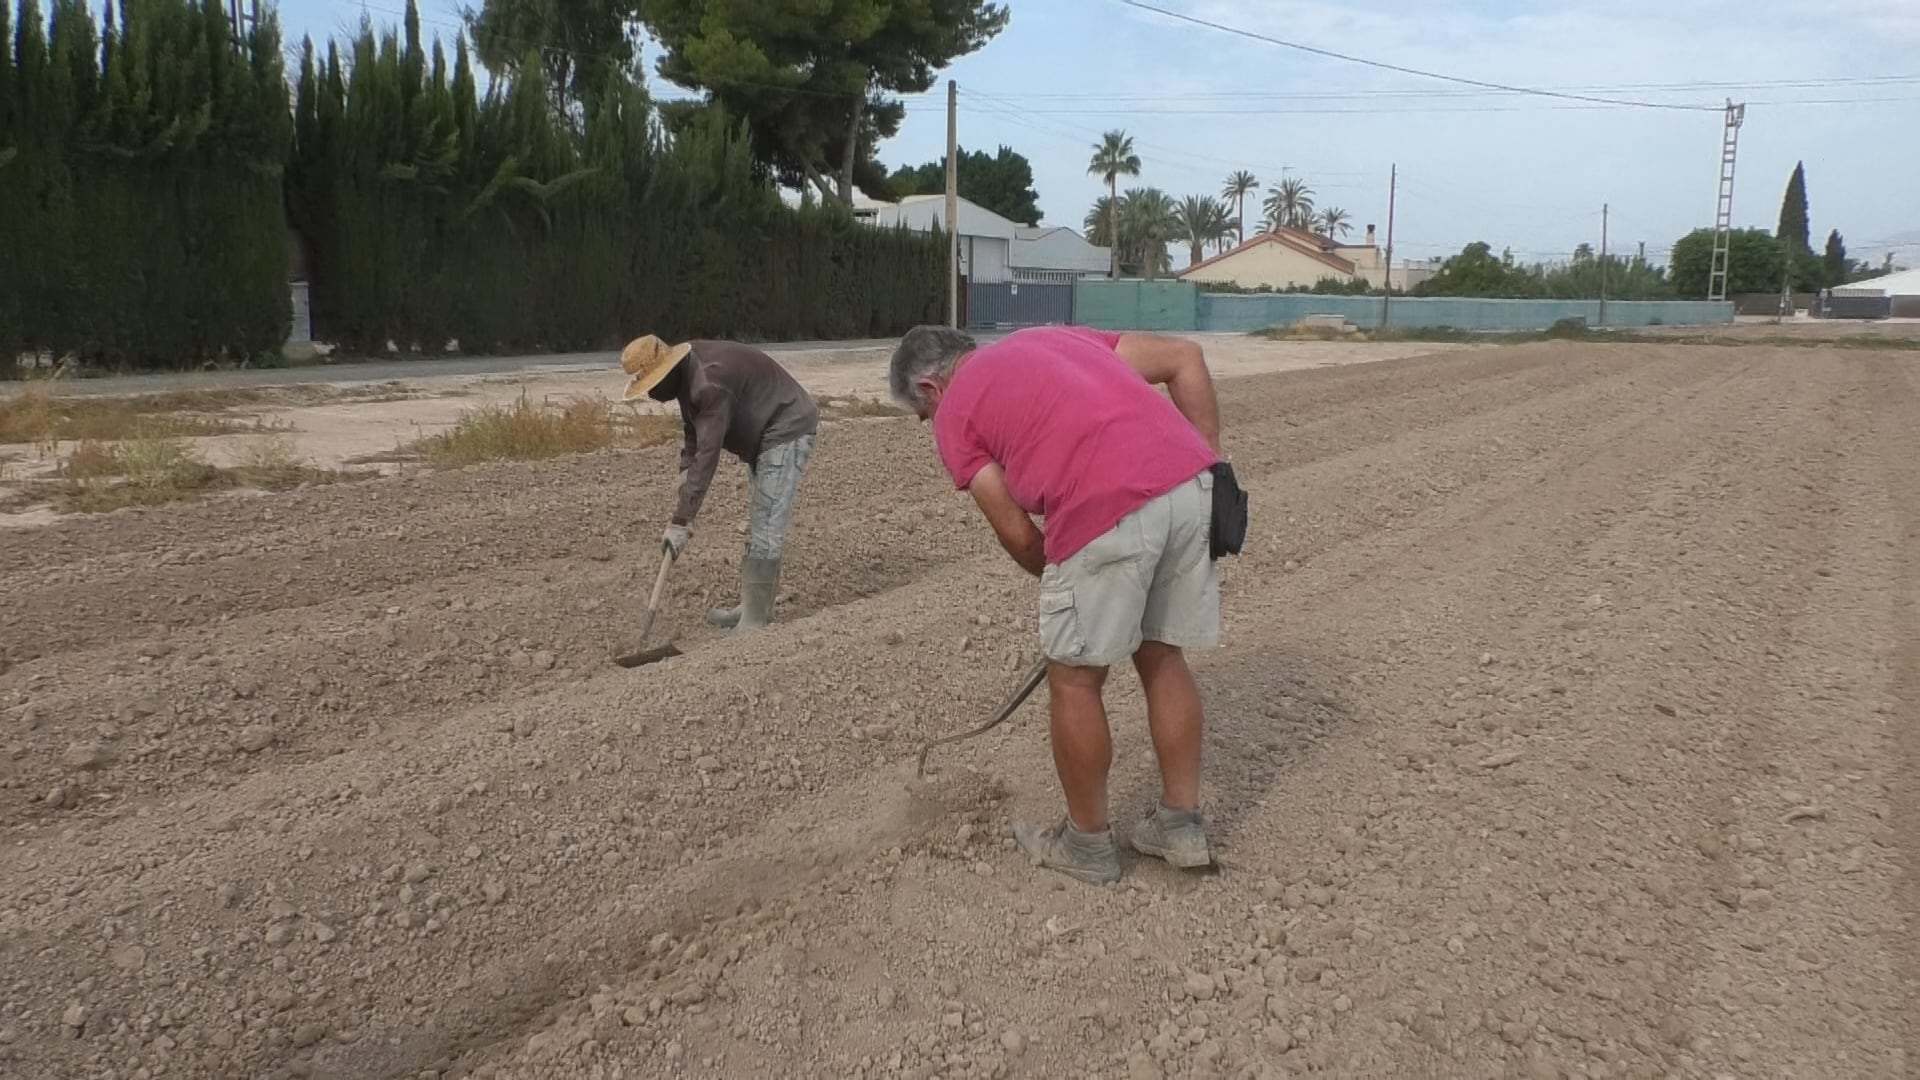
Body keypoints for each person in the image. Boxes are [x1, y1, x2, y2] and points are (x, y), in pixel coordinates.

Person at [888, 323, 1225, 885]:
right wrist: (1214, 468)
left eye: (922, 415)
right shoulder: (1049, 337)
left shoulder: (953, 412)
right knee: (1163, 656)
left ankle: (1087, 845)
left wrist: (1070, 584)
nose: (930, 426)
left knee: (1074, 679)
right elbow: (1186, 357)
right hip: (1189, 489)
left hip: (1107, 502)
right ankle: (1180, 824)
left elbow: (1019, 535)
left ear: (929, 388)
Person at [620, 334, 819, 634]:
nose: (650, 396)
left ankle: (756, 619)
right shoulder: (687, 376)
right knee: (759, 522)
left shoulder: (708, 383)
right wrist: (684, 482)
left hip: (786, 427)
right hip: (765, 431)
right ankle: (752, 607)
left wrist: (682, 519)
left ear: (667, 374)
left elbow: (708, 453)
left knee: (766, 523)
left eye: (652, 387)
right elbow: (693, 436)